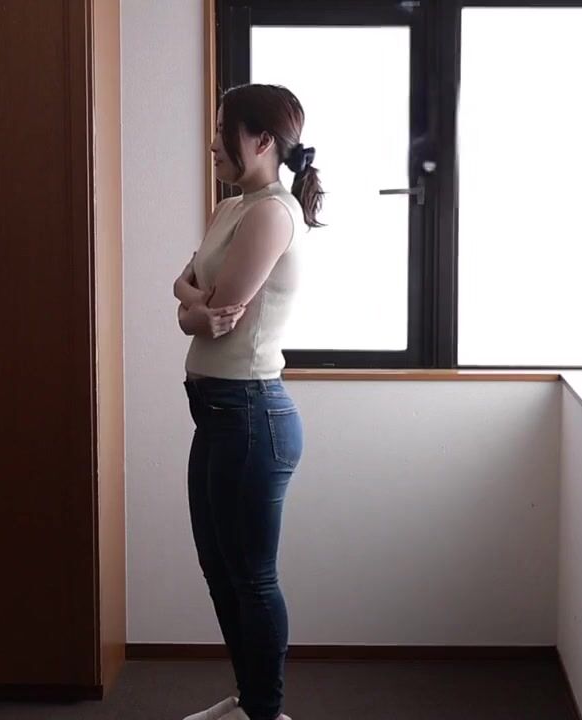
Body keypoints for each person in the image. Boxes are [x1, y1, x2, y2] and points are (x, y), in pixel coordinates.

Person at [174, 83, 323, 720]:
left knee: (253, 577)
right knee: (220, 569)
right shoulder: (230, 208)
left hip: (251, 415)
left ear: (262, 141)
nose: (212, 143)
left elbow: (219, 314)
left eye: (222, 131)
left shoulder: (271, 213)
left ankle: (265, 711)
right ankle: (249, 700)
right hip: (216, 414)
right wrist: (193, 305)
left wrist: (191, 305)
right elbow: (187, 297)